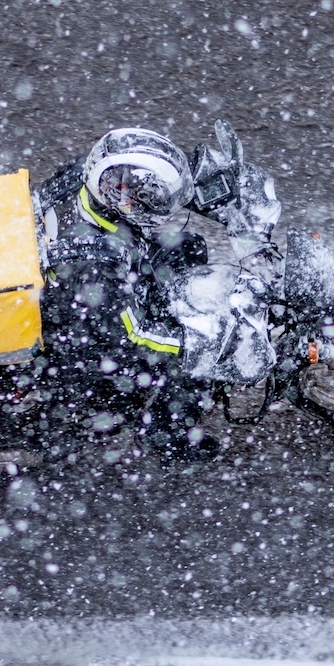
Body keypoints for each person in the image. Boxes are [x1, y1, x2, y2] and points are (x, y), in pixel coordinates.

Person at [34, 127, 214, 456]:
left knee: (188, 248)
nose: (137, 197)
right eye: (132, 193)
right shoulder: (95, 266)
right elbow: (132, 338)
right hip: (84, 341)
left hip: (90, 296)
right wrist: (191, 343)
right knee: (197, 362)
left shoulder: (84, 175)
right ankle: (166, 438)